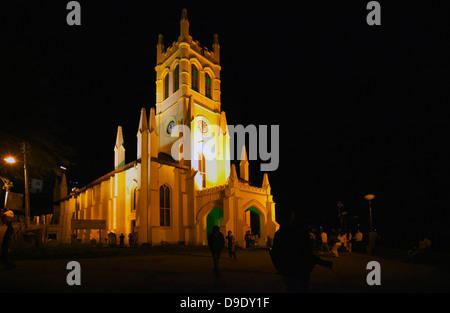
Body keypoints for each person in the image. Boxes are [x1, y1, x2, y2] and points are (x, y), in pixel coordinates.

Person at [270, 214, 333, 292]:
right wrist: (322, 262)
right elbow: (307, 254)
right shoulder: (301, 233)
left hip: (292, 270)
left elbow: (274, 253)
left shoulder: (281, 233)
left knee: (294, 288)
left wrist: (279, 267)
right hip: (300, 269)